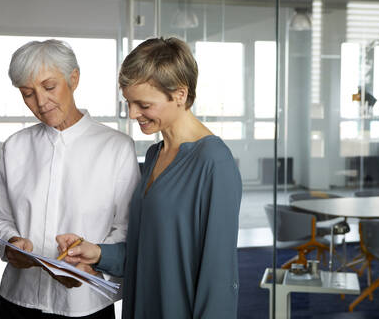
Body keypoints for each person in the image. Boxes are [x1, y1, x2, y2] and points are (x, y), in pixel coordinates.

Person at [56, 37, 242, 318]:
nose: (133, 114)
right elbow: (150, 249)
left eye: (143, 104)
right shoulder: (156, 153)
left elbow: (219, 278)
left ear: (180, 94)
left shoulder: (214, 162)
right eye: (129, 103)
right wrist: (96, 253)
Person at [0, 39, 140, 319]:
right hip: (16, 302)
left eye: (49, 87)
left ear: (74, 78)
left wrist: (92, 264)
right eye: (27, 93)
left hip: (85, 305)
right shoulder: (15, 146)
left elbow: (126, 229)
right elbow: (1, 222)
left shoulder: (117, 147)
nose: (40, 102)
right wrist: (11, 245)